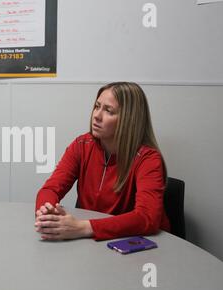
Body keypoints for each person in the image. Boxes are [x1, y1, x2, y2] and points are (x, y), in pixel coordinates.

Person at [35, 82, 170, 241]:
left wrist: (84, 227)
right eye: (97, 106)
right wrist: (47, 213)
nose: (97, 115)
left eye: (108, 110)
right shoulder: (82, 145)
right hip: (90, 242)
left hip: (138, 247)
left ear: (128, 119)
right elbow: (50, 189)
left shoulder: (147, 158)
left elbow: (147, 217)